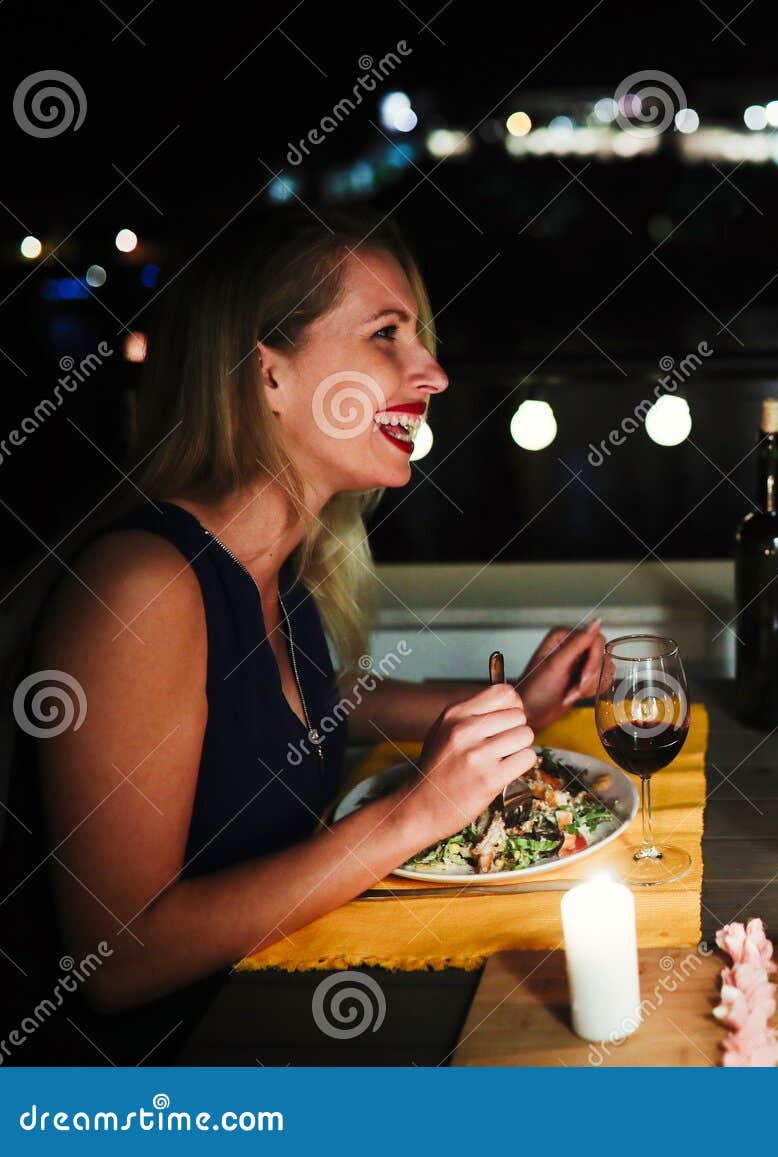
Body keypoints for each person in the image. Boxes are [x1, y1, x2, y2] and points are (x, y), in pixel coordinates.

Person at [0, 210, 603, 1063]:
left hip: (276, 1017)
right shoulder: (143, 588)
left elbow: (303, 708)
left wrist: (508, 703)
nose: (430, 371)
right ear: (269, 377)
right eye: (387, 335)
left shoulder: (278, 572)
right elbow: (115, 963)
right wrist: (414, 811)